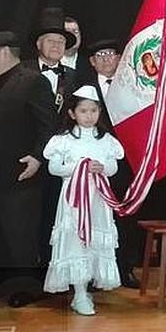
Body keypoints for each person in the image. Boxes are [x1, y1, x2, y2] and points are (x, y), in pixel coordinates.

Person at [0, 31, 56, 305]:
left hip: (21, 175)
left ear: (5, 51)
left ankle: (27, 288)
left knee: (19, 234)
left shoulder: (33, 81)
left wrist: (37, 157)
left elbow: (48, 127)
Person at [43, 86, 124, 315]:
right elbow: (54, 168)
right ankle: (78, 293)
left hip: (98, 200)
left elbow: (113, 167)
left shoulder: (106, 140)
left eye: (93, 111)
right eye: (83, 111)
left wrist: (101, 167)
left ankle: (86, 287)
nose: (89, 116)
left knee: (95, 239)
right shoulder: (63, 140)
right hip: (74, 202)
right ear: (72, 114)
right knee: (76, 240)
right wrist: (78, 167)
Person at [80, 37, 140, 288]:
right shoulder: (84, 91)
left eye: (111, 54)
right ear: (93, 63)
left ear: (119, 58)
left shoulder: (134, 85)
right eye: (100, 56)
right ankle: (94, 272)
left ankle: (125, 268)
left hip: (128, 162)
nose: (106, 59)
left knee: (125, 215)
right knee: (94, 217)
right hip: (95, 165)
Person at [25, 8, 79, 265]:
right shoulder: (22, 73)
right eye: (51, 40)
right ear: (38, 44)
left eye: (61, 41)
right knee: (28, 216)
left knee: (56, 214)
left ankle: (55, 265)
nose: (56, 45)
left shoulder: (73, 77)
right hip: (29, 156)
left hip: (62, 161)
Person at [61, 15, 91, 82]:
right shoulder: (49, 62)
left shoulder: (90, 64)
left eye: (75, 31)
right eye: (67, 32)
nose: (72, 36)